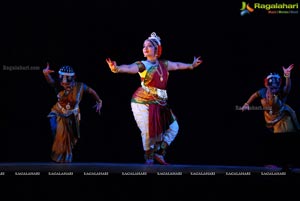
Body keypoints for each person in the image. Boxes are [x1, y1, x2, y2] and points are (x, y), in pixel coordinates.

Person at [105, 32, 203, 165]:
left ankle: (159, 153)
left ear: (157, 50)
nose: (145, 48)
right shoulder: (142, 65)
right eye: (144, 46)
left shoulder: (164, 64)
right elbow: (128, 68)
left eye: (149, 46)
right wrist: (116, 68)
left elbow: (178, 66)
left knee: (174, 127)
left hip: (160, 103)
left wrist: (191, 65)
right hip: (142, 103)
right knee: (148, 132)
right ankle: (149, 158)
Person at [241, 64, 300, 169]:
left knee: (283, 141)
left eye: (275, 88)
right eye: (271, 88)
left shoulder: (281, 92)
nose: (273, 91)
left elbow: (288, 87)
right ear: (267, 86)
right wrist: (246, 104)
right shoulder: (263, 92)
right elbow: (255, 95)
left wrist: (287, 76)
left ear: (278, 86)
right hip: (269, 120)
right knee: (269, 142)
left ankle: (286, 164)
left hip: (282, 120)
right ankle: (275, 162)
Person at [43, 63, 103, 163]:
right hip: (58, 111)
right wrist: (46, 74)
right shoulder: (59, 85)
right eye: (62, 78)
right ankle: (58, 148)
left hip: (72, 115)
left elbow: (91, 91)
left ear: (73, 77)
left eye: (67, 79)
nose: (64, 82)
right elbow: (51, 81)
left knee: (69, 139)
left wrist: (99, 101)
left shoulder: (80, 86)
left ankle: (64, 156)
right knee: (56, 130)